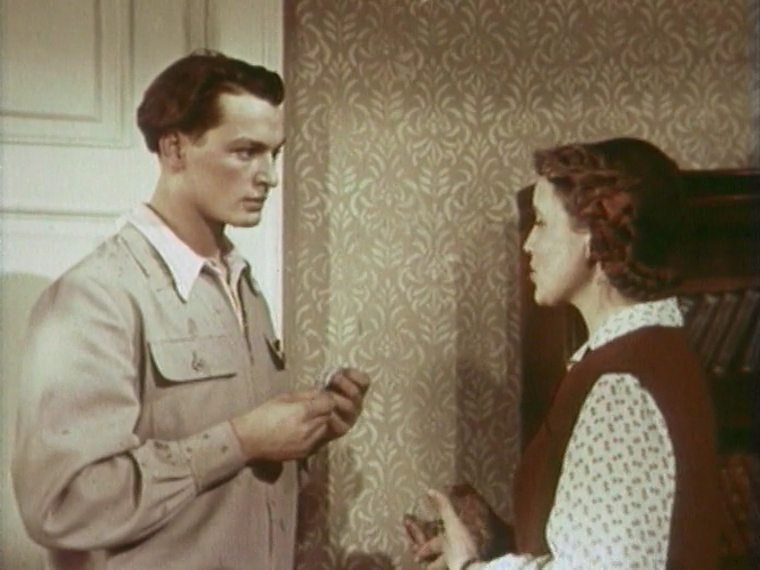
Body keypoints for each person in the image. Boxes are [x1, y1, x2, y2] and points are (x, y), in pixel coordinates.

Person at [11, 50, 370, 570]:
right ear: (174, 148)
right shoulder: (97, 296)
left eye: (274, 154)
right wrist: (242, 440)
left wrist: (309, 428)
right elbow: (61, 505)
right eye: (245, 152)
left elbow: (230, 485)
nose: (269, 176)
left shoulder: (242, 286)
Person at [404, 138, 720, 569]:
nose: (528, 244)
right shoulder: (645, 355)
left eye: (541, 222)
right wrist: (493, 544)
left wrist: (468, 566)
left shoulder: (621, 386)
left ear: (594, 237)